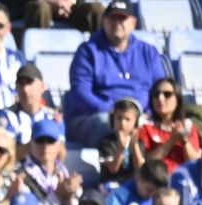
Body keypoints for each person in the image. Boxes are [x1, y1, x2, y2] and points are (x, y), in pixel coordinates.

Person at [63, 0, 169, 149]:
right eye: (113, 18)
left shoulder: (148, 52)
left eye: (122, 18)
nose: (117, 23)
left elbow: (160, 89)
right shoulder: (88, 51)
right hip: (97, 115)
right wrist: (114, 113)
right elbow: (80, 93)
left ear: (133, 23)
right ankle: (110, 169)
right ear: (104, 21)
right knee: (107, 123)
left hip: (142, 116)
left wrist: (148, 114)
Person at [0, 63, 59, 153]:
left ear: (42, 86)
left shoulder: (52, 117)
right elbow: (6, 153)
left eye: (29, 83)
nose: (25, 89)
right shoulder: (6, 116)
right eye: (21, 84)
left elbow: (60, 153)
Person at [137, 77, 200, 172]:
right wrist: (172, 140)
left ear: (177, 99)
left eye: (167, 94)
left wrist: (184, 140)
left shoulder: (188, 126)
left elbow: (194, 163)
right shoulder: (145, 127)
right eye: (156, 94)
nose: (160, 98)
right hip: (156, 181)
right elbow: (148, 163)